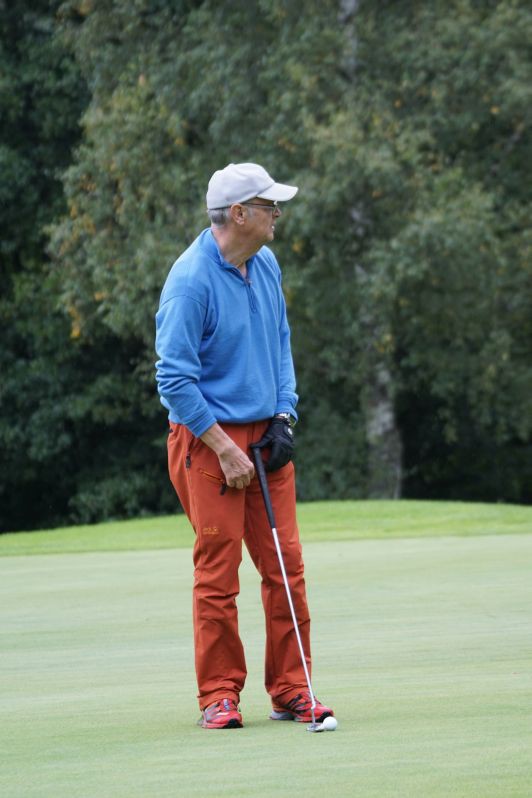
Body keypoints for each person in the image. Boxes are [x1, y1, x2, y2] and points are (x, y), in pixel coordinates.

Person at [155, 162, 334, 729]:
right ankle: (218, 695)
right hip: (208, 439)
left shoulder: (266, 262)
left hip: (266, 437)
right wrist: (223, 447)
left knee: (287, 566)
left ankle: (292, 689)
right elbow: (173, 380)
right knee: (219, 571)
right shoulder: (190, 282)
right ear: (238, 214)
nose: (277, 214)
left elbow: (280, 341)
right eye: (268, 205)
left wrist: (284, 415)